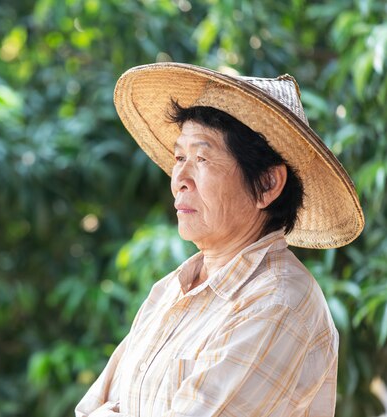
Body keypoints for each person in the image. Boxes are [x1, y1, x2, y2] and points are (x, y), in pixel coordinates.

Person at [75, 63, 364, 417]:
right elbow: (92, 406)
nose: (179, 178)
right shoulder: (173, 290)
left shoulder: (279, 303)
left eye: (201, 157)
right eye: (179, 157)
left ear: (267, 185)